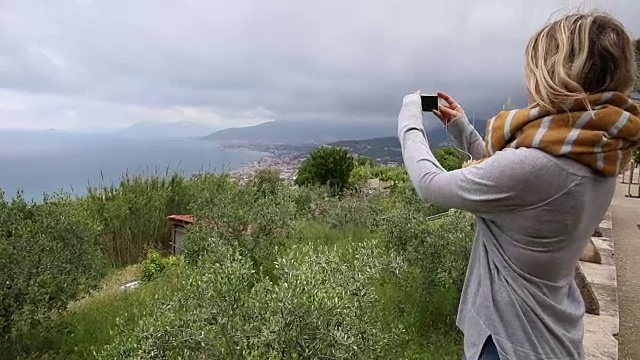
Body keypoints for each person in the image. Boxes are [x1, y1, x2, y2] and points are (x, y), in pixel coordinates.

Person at [397, 11, 640, 360]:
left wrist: (408, 120)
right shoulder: (601, 152)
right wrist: (463, 130)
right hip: (553, 334)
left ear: (556, 74)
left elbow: (431, 185)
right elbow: (517, 186)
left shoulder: (539, 167)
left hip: (508, 341)